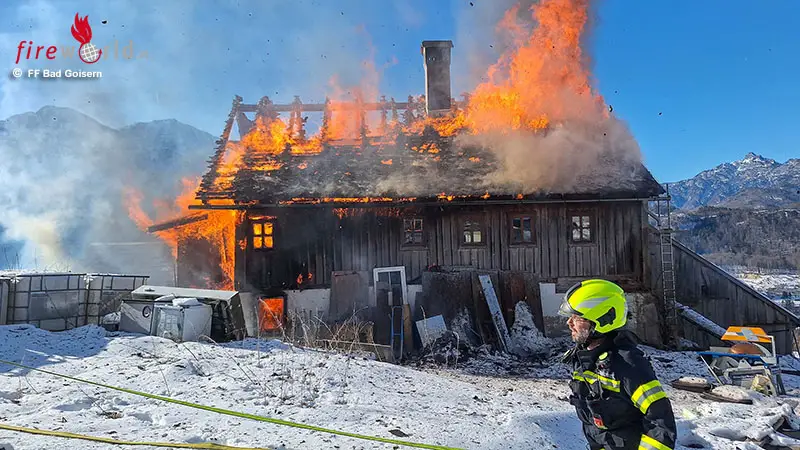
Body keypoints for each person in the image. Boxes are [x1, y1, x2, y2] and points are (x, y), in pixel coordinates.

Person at [559, 279, 677, 450]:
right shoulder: (585, 359)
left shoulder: (628, 364)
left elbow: (661, 423)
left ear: (601, 319)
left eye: (577, 317)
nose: (569, 323)